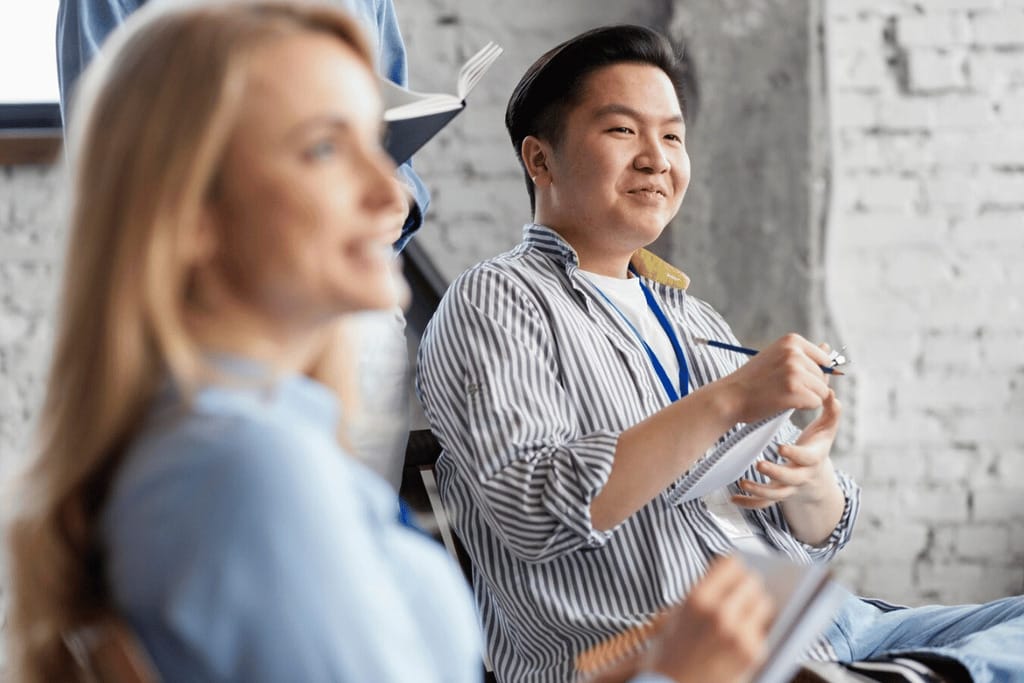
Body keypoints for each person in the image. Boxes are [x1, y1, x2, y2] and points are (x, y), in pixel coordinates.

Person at [4, 4, 776, 682]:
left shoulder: (243, 445)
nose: (392, 195)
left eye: (381, 147)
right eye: (324, 149)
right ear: (189, 212)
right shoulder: (252, 477)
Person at [416, 24, 1024, 683]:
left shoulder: (691, 316)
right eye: (623, 130)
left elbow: (820, 532)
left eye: (672, 136)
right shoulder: (496, 300)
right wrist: (730, 397)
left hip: (824, 628)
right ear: (540, 160)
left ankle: (895, 675)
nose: (656, 157)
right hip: (675, 651)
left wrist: (807, 477)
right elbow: (530, 509)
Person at [56, 0, 425, 488]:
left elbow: (394, 153)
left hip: (355, 337)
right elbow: (123, 180)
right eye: (323, 148)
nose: (374, 190)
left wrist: (403, 195)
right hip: (209, 334)